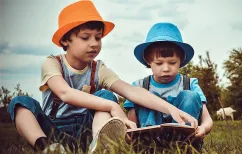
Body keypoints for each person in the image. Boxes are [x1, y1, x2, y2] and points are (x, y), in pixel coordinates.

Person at [7, 1, 198, 153]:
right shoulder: (52, 63)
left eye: (98, 37)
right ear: (65, 40)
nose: (94, 44)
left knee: (106, 95)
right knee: (21, 102)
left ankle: (99, 145)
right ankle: (47, 148)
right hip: (53, 130)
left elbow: (132, 91)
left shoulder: (99, 69)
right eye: (85, 37)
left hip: (87, 131)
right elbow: (65, 93)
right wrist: (114, 106)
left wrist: (171, 109)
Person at [124, 22, 213, 143]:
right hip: (149, 143)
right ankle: (150, 140)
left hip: (184, 141)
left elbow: (207, 119)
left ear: (181, 60)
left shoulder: (190, 83)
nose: (166, 69)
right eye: (159, 63)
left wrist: (203, 128)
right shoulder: (139, 86)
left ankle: (182, 141)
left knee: (190, 95)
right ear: (148, 61)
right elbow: (131, 123)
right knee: (144, 96)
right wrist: (130, 135)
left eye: (172, 62)